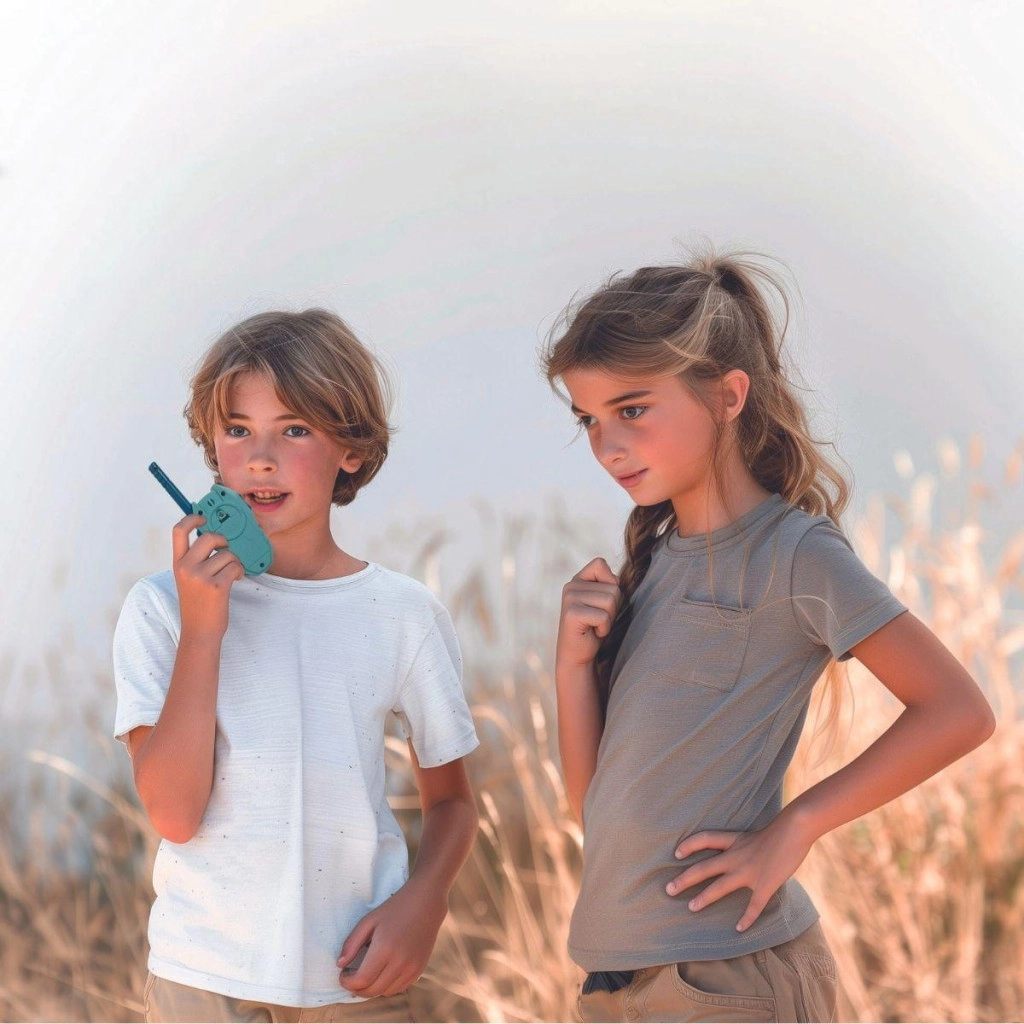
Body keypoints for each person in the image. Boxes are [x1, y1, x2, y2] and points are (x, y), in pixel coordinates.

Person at [543, 250, 995, 1023]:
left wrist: (798, 826)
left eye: (632, 409)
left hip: (728, 982)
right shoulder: (651, 565)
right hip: (617, 986)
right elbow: (593, 807)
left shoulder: (795, 553)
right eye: (589, 420)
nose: (606, 444)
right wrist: (572, 669)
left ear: (728, 396)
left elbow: (959, 712)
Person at [113, 310, 479, 1023]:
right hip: (204, 982)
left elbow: (454, 803)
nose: (261, 458)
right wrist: (204, 631)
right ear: (212, 446)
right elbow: (174, 815)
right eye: (238, 430)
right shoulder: (161, 609)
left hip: (356, 979)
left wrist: (425, 901)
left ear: (352, 449)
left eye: (295, 429)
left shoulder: (402, 614)